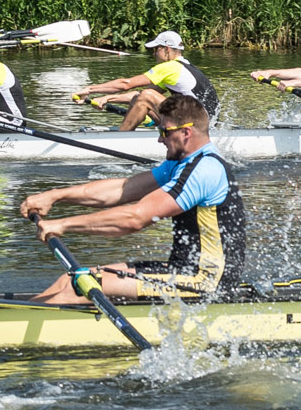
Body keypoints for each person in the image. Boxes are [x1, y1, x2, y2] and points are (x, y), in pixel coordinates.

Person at [20, 92, 245, 301]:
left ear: (186, 133)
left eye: (164, 131)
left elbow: (135, 218)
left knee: (76, 288)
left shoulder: (205, 169)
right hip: (182, 271)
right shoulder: (182, 163)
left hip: (206, 282)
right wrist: (55, 195)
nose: (160, 140)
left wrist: (63, 225)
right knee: (69, 279)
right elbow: (121, 190)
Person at [75, 29, 221, 129]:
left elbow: (126, 84)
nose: (154, 54)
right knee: (141, 97)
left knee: (145, 97)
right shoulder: (183, 67)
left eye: (156, 49)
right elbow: (136, 95)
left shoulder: (170, 67)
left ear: (167, 49)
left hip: (198, 125)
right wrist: (106, 98)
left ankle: (122, 139)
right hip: (200, 121)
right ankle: (141, 131)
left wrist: (89, 89)